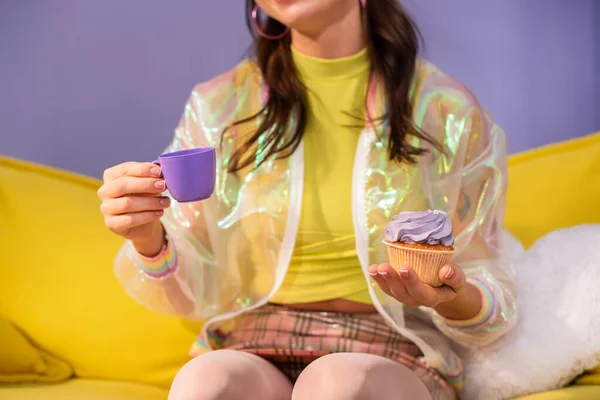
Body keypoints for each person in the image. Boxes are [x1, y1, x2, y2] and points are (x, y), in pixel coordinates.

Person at [97, 0, 518, 399]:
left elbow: (488, 289)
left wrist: (448, 296)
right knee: (204, 380)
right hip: (253, 340)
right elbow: (193, 289)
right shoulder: (220, 107)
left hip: (398, 347)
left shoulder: (446, 110)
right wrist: (148, 238)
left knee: (336, 383)